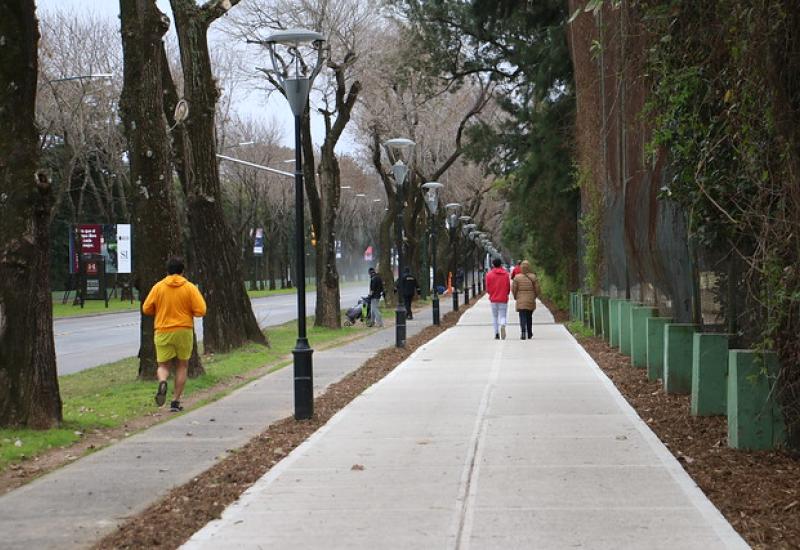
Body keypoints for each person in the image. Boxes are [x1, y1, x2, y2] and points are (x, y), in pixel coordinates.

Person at [142, 257, 206, 412]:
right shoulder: (190, 288)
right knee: (182, 365)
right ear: (182, 271)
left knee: (163, 365)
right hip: (184, 330)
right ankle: (175, 402)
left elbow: (146, 308)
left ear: (167, 271)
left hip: (163, 330)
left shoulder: (158, 287)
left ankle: (163, 380)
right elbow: (201, 310)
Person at [512, 260, 540, 339]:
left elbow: (514, 289)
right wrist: (534, 296)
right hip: (530, 298)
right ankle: (530, 332)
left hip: (520, 298)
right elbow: (537, 289)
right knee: (529, 316)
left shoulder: (517, 277)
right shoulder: (533, 277)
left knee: (522, 316)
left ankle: (523, 332)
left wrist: (515, 296)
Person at [485, 258, 511, 339]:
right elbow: (508, 286)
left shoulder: (489, 275)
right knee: (503, 315)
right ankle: (503, 324)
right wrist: (506, 293)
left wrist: (491, 293)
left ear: (493, 264)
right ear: (501, 264)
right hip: (503, 298)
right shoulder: (506, 274)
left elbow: (487, 288)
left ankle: (496, 333)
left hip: (493, 299)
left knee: (495, 317)